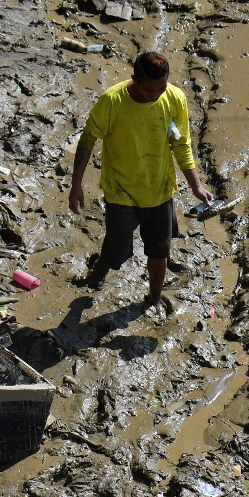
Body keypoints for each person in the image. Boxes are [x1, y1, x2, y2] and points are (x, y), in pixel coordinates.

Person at [68, 52, 214, 308]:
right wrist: (76, 184)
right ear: (134, 79)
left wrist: (196, 186)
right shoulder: (112, 101)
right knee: (117, 249)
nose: (155, 95)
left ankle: (154, 298)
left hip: (159, 190)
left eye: (161, 88)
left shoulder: (175, 99)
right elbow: (87, 140)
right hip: (121, 191)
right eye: (149, 90)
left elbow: (182, 144)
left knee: (160, 251)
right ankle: (98, 274)